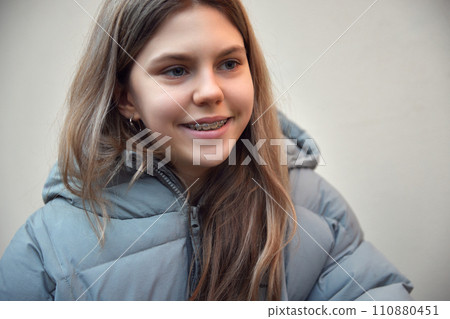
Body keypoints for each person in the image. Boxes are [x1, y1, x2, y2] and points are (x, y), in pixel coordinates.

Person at [0, 0, 413, 301]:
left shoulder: (309, 201)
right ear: (126, 98)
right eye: (176, 70)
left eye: (229, 63)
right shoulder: (47, 244)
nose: (211, 91)